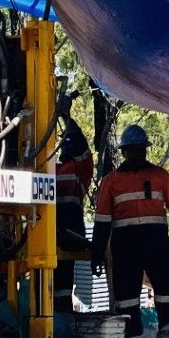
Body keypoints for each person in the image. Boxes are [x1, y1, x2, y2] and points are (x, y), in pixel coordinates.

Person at [92, 124, 169, 338]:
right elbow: (102, 222)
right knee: (127, 301)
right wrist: (96, 255)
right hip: (126, 246)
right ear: (123, 152)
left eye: (140, 149)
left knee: (168, 297)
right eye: (132, 150)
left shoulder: (160, 176)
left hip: (156, 244)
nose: (137, 154)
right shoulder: (111, 182)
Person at [52, 118, 94, 313]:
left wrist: (68, 118)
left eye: (68, 143)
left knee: (63, 282)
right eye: (63, 143)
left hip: (70, 231)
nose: (65, 147)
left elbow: (83, 149)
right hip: (48, 232)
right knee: (48, 283)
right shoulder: (50, 168)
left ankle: (63, 317)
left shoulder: (80, 170)